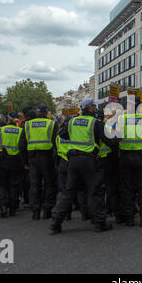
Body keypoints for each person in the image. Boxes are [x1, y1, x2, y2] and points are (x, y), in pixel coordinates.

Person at [50, 98, 116, 234]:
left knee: (68, 192)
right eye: (94, 105)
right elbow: (109, 141)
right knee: (95, 191)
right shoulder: (95, 123)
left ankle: (55, 222)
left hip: (73, 160)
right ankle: (99, 223)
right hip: (89, 161)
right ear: (91, 108)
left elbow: (62, 135)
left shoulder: (72, 121)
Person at [117, 96, 142, 227]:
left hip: (125, 157)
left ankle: (129, 218)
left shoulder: (121, 119)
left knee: (127, 187)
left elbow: (116, 138)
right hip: (141, 157)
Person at [19, 104, 58, 220]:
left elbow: (22, 145)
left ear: (37, 112)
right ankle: (48, 210)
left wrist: (25, 161)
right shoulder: (52, 123)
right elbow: (56, 143)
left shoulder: (27, 124)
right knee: (49, 184)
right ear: (47, 113)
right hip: (47, 157)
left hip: (32, 158)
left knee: (34, 184)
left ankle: (35, 211)